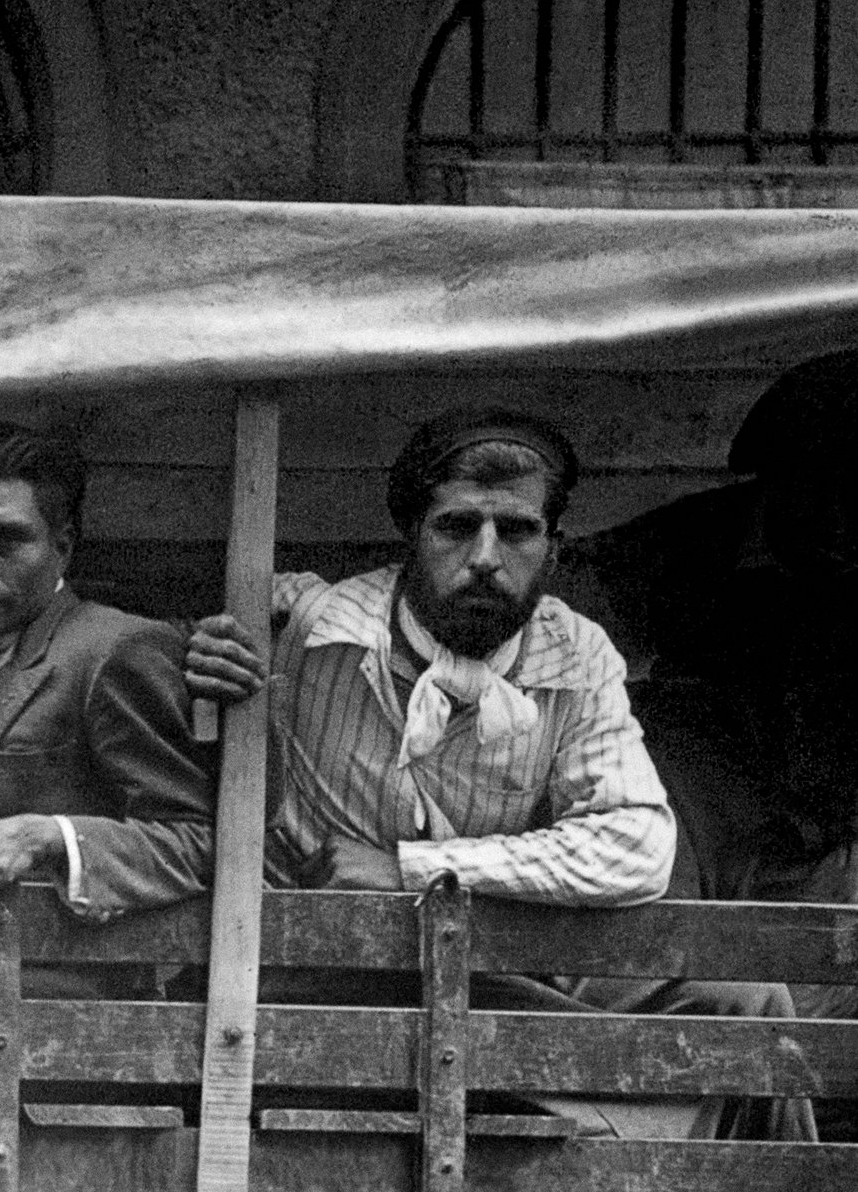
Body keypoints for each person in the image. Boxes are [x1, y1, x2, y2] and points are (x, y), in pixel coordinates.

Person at [183, 408, 812, 1139]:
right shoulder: (308, 631)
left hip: (487, 956)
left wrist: (412, 868)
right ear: (411, 537)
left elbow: (638, 846)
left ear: (553, 550)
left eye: (516, 531)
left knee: (750, 1006)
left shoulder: (574, 654)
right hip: (330, 972)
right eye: (456, 527)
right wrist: (201, 655)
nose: (485, 556)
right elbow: (183, 707)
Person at [0, 421, 215, 998]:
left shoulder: (113, 649)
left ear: (62, 547)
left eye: (6, 541)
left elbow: (199, 842)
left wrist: (44, 836)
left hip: (63, 1011)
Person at [557, 350, 858, 942]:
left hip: (835, 829)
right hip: (703, 810)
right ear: (775, 477)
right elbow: (554, 625)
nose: (838, 516)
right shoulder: (679, 549)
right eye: (820, 484)